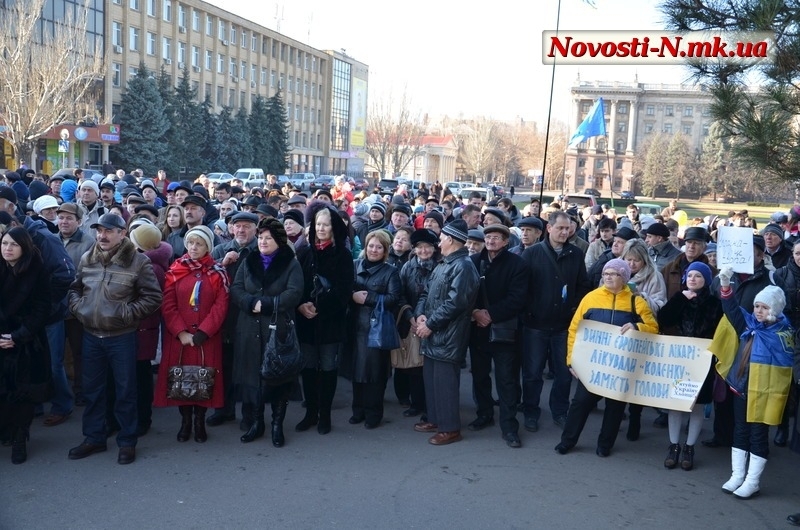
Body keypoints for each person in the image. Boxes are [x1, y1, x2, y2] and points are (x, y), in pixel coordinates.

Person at [66, 213, 162, 465]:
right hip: (91, 336)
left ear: (122, 233)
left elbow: (152, 297)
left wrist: (125, 314)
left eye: (109, 231)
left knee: (125, 391)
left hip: (121, 337)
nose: (102, 235)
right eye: (99, 230)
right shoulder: (88, 258)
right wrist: (80, 308)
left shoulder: (138, 262)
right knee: (93, 391)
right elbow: (75, 289)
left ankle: (127, 441)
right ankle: (94, 437)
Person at [555, 259, 659, 457]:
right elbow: (574, 329)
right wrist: (571, 360)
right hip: (592, 365)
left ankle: (605, 444)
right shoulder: (590, 298)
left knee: (615, 407)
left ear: (625, 278)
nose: (608, 277)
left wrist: (637, 327)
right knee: (580, 403)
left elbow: (654, 329)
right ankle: (567, 441)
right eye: (606, 274)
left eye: (614, 274)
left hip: (620, 367)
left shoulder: (635, 302)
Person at [717, 276, 793, 499]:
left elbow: (786, 362)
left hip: (766, 393)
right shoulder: (750, 325)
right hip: (743, 388)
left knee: (758, 435)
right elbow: (731, 309)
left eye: (764, 307)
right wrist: (725, 287)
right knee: (740, 430)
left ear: (775, 309)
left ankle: (752, 481)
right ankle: (737, 476)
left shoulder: (784, 334)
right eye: (756, 306)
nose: (758, 311)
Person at [231, 218, 303, 446]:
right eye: (261, 237)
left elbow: (294, 292)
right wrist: (251, 302)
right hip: (249, 327)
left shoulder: (290, 263)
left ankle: (276, 425)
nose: (263, 241)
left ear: (278, 241)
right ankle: (257, 422)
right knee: (253, 377)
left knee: (278, 378)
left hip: (277, 327)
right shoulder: (249, 259)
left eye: (268, 238)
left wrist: (269, 304)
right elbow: (236, 288)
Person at [520, 211, 591, 433]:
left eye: (567, 228)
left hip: (563, 325)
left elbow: (583, 285)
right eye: (560, 228)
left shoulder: (576, 254)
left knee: (563, 373)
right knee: (532, 373)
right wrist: (530, 312)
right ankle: (530, 410)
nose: (564, 232)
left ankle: (560, 410)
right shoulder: (531, 254)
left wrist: (573, 307)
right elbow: (521, 288)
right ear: (549, 228)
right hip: (535, 325)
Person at [413, 219, 479, 445]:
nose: (438, 242)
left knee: (445, 383)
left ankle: (450, 428)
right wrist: (421, 315)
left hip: (448, 336)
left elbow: (456, 304)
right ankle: (435, 419)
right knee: (431, 380)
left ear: (451, 239)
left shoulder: (464, 266)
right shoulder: (444, 263)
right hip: (432, 332)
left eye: (441, 238)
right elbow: (425, 293)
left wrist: (429, 324)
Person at [295, 202, 355, 435]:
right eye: (317, 224)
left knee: (328, 368)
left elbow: (344, 290)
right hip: (306, 321)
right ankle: (310, 412)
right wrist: (301, 305)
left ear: (334, 228)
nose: (320, 228)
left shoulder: (343, 255)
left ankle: (325, 414)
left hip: (330, 321)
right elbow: (297, 284)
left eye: (325, 224)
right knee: (308, 368)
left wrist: (321, 308)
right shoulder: (305, 252)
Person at [657, 262, 723, 470]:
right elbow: (664, 319)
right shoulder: (680, 298)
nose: (693, 279)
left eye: (698, 276)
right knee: (676, 404)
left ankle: (689, 447)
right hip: (680, 359)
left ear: (706, 281)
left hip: (703, 360)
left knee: (697, 404)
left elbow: (719, 331)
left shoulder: (714, 303)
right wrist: (679, 299)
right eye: (690, 275)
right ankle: (673, 445)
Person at [468, 224, 528, 447]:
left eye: (496, 238)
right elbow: (466, 292)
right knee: (480, 376)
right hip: (477, 330)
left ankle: (509, 426)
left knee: (506, 380)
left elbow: (518, 299)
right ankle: (484, 414)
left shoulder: (518, 265)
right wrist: (475, 312)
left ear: (506, 242)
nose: (491, 241)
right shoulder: (474, 262)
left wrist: (490, 314)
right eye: (488, 237)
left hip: (505, 332)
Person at [0, 228, 52, 463]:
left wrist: (18, 336)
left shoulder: (36, 269)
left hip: (28, 342)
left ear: (24, 247)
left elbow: (42, 308)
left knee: (24, 392)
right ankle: (7, 431)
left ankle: (20, 437)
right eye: (4, 243)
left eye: (13, 245)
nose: (7, 249)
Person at [349, 230, 402, 429]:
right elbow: (345, 289)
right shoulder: (355, 265)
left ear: (385, 250)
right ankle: (358, 409)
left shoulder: (391, 271)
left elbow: (394, 299)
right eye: (371, 245)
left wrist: (368, 298)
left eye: (379, 247)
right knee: (356, 371)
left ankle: (373, 412)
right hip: (354, 325)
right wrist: (352, 297)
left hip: (376, 328)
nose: (374, 250)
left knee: (375, 374)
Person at [129, 224, 172, 437]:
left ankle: (142, 419)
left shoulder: (151, 267)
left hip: (143, 327)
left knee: (141, 375)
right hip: (143, 327)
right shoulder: (150, 261)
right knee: (140, 373)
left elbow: (151, 300)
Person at [396, 229, 440, 419]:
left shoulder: (440, 266)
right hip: (411, 320)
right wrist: (409, 315)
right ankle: (415, 403)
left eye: (427, 247)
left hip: (433, 320)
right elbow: (400, 293)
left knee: (428, 366)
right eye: (419, 247)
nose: (424, 251)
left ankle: (430, 404)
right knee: (412, 364)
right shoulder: (408, 266)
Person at [57, 203, 94, 407]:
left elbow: (88, 277)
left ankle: (81, 390)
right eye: (61, 217)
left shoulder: (88, 243)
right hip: (54, 307)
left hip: (77, 308)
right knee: (57, 353)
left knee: (80, 352)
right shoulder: (51, 240)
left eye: (69, 218)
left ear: (79, 221)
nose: (64, 221)